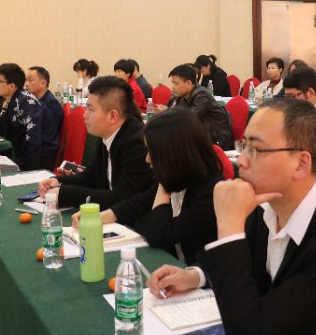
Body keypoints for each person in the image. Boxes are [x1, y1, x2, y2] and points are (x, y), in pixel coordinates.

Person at [147, 99, 316, 335]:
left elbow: (246, 332)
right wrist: (196, 275)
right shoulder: (272, 200)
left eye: (256, 150)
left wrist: (229, 225)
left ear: (301, 164)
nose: (240, 161)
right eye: (244, 146)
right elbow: (247, 262)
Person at [77, 108, 223, 265]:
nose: (147, 159)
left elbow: (157, 233)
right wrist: (100, 217)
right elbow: (139, 204)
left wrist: (163, 185)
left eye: (152, 152)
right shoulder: (180, 178)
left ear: (173, 154)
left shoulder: (210, 194)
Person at [37, 76, 153, 209]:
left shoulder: (138, 143)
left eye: (90, 109)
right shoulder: (108, 134)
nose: (84, 115)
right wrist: (58, 181)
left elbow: (122, 198)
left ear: (112, 116)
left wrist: (64, 194)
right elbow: (92, 176)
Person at [0, 63, 45, 171]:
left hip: (37, 159)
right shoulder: (9, 101)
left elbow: (33, 140)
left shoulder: (27, 102)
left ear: (12, 86)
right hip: (18, 155)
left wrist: (28, 172)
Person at [166, 64, 233, 150]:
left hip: (216, 140)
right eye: (172, 83)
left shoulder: (202, 95)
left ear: (188, 83)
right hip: (199, 137)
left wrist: (169, 114)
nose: (172, 87)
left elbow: (188, 121)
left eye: (176, 83)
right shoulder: (182, 96)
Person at [26, 66, 63, 170]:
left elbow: (47, 135)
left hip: (44, 154)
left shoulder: (51, 105)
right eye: (26, 80)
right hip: (35, 148)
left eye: (30, 80)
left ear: (43, 83)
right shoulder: (35, 101)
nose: (26, 84)